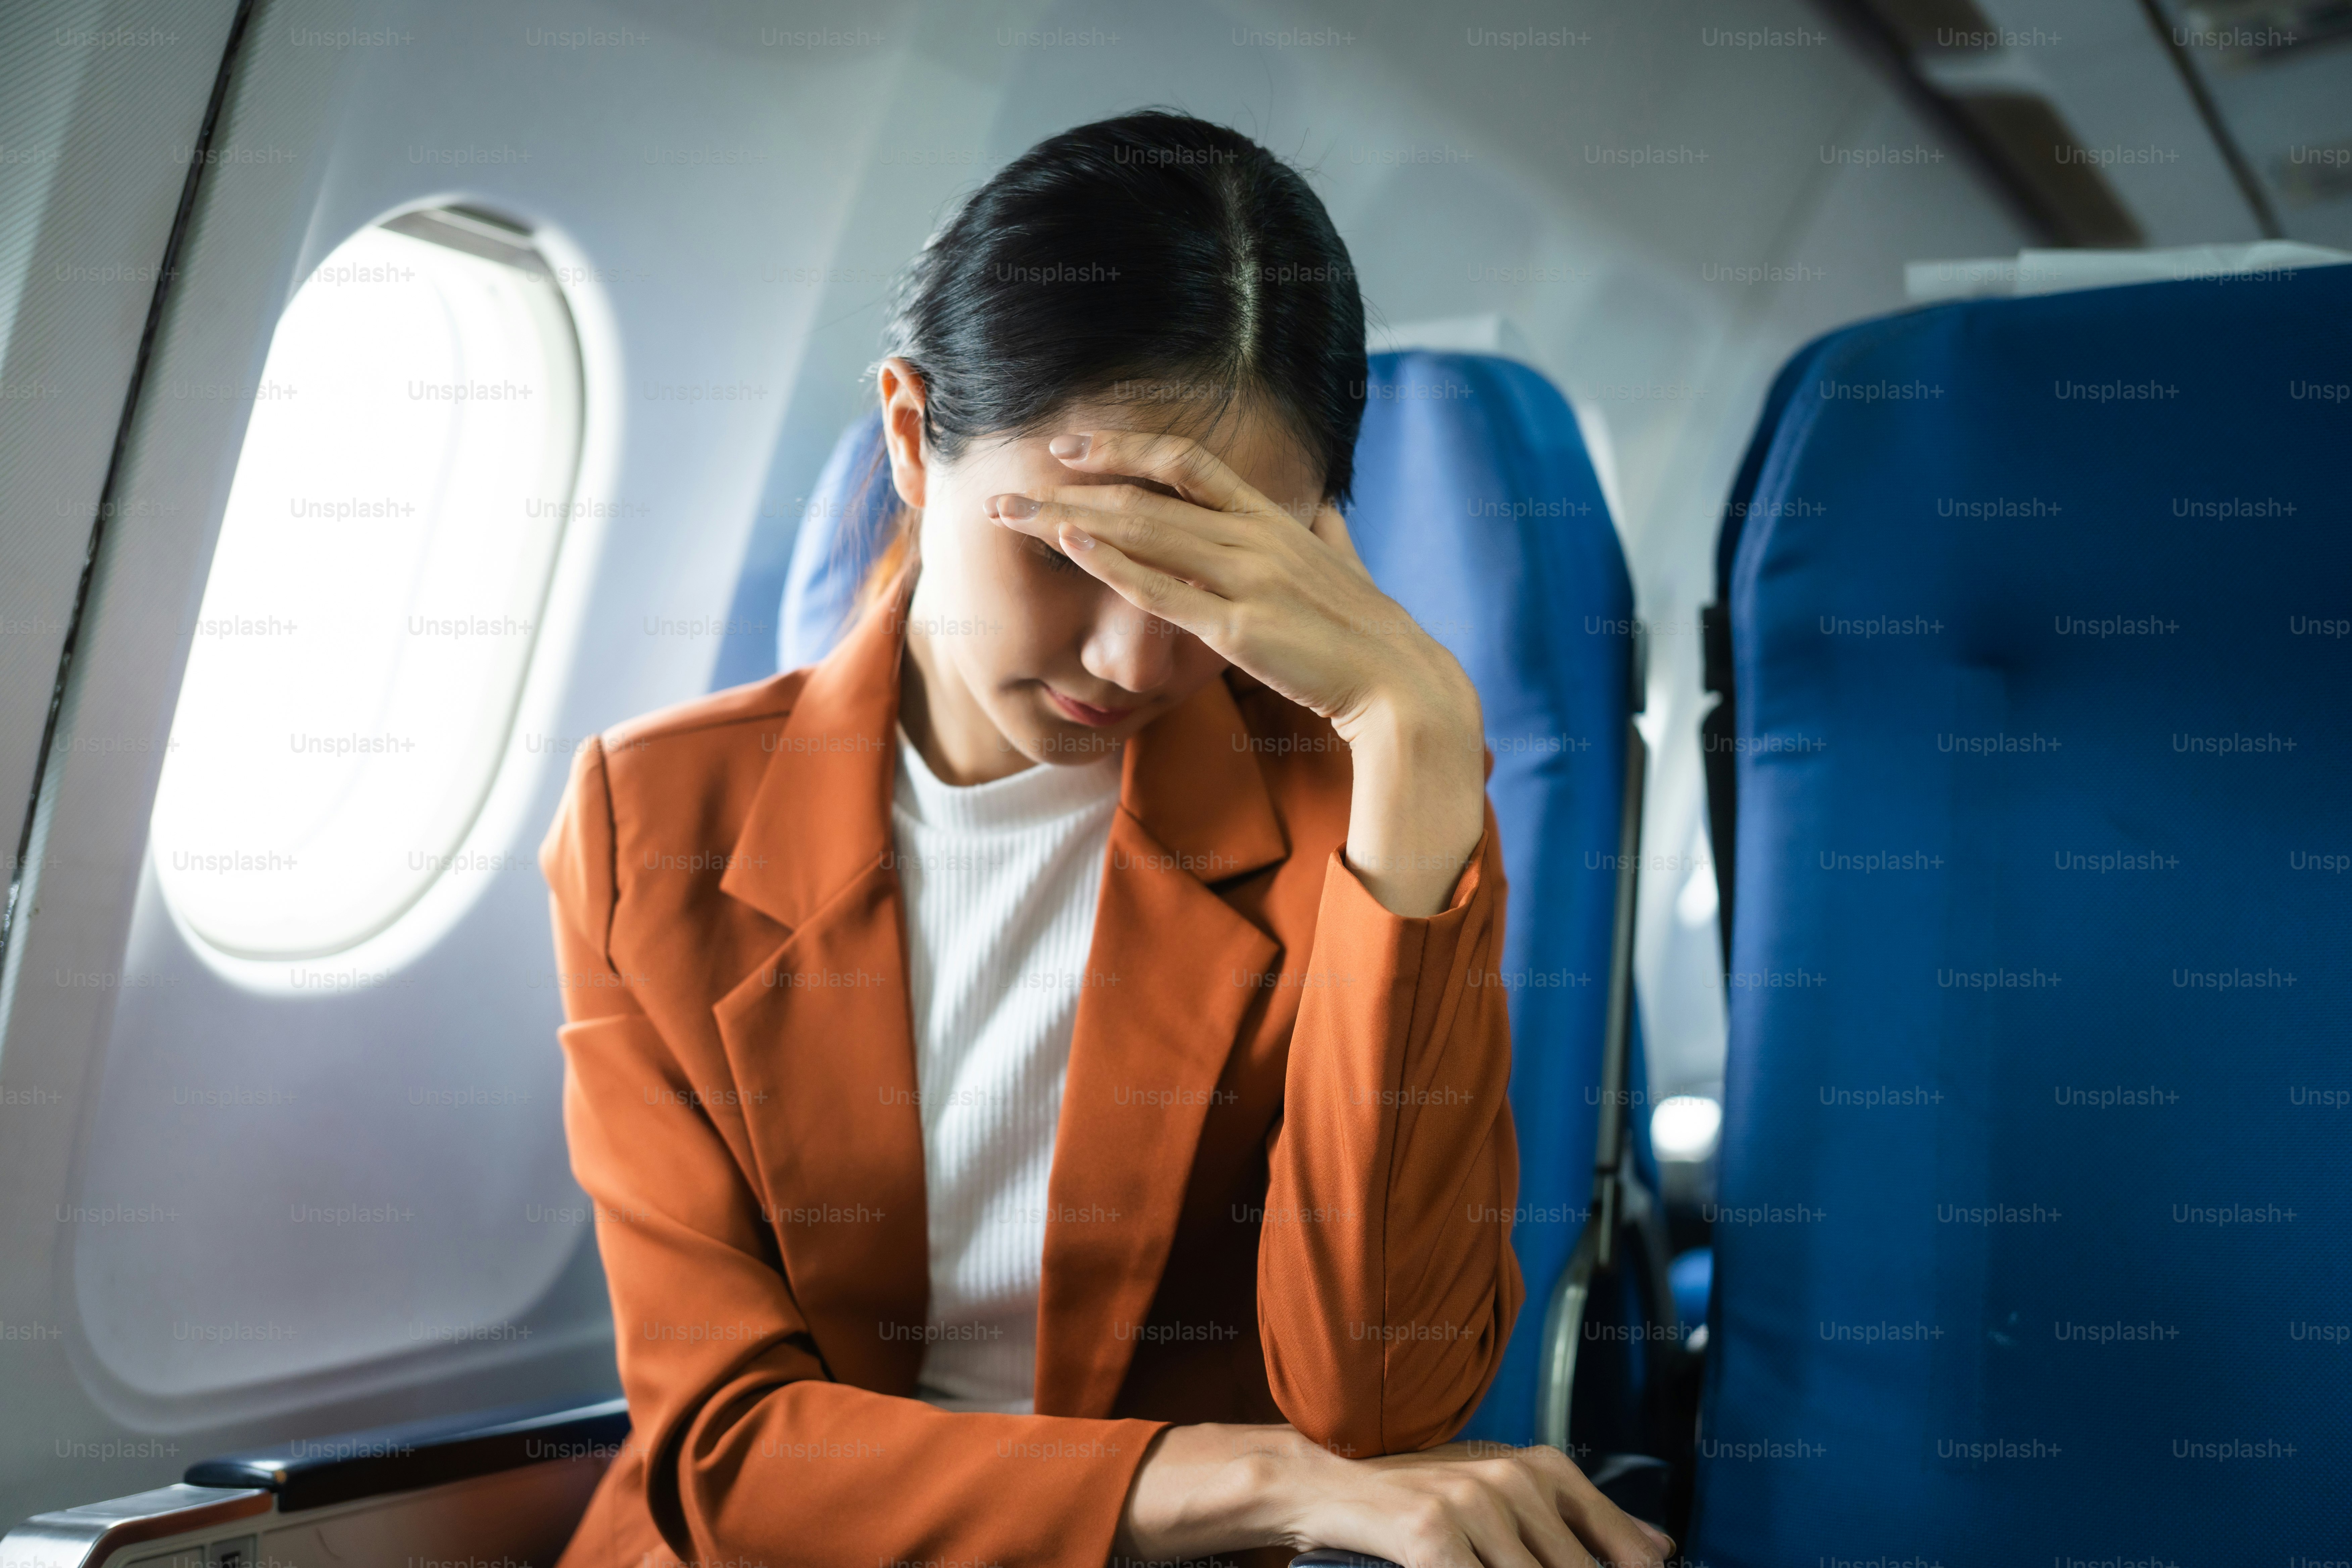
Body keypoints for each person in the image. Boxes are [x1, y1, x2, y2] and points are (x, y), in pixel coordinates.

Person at [541, 109, 1668, 1568]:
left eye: (1208, 569)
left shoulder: (1361, 805)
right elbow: (728, 1453)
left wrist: (1417, 736)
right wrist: (1254, 1477)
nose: (1135, 656)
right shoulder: (658, 822)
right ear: (909, 436)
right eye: (1078, 545)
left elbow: (1381, 1405)